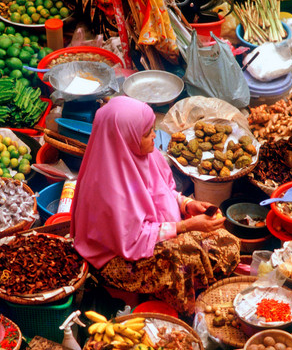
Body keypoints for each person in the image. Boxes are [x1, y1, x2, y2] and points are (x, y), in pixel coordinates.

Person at [70, 97, 240, 314]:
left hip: (149, 233)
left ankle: (192, 285)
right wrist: (187, 227)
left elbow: (161, 191)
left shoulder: (143, 155)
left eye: (153, 129)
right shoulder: (105, 184)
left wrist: (187, 204)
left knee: (223, 240)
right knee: (180, 259)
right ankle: (182, 312)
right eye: (146, 132)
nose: (153, 135)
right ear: (125, 139)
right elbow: (132, 238)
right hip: (117, 256)